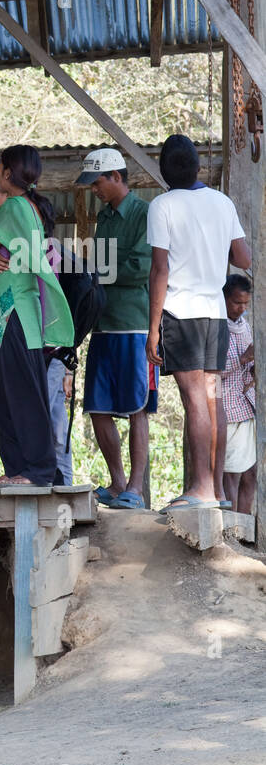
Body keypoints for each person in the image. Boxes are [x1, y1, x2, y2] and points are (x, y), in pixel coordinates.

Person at [146, 135, 252, 510]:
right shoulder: (222, 203)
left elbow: (160, 269)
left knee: (194, 401)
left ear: (163, 171)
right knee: (214, 399)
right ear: (198, 168)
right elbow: (243, 257)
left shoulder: (162, 205)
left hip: (182, 311)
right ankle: (219, 491)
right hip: (215, 314)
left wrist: (153, 327)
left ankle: (202, 488)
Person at [0, 145, 75, 486]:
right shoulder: (30, 207)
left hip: (10, 311)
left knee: (16, 395)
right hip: (17, 311)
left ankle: (37, 471)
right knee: (8, 395)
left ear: (6, 174)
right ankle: (22, 471)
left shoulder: (12, 207)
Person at [74, 149, 156, 509]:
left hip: (134, 326)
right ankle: (117, 482)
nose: (93, 190)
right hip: (102, 324)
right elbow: (99, 263)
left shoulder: (144, 213)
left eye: (97, 182)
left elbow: (141, 266)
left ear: (117, 177)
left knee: (138, 406)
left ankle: (135, 489)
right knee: (97, 405)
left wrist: (100, 271)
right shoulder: (103, 217)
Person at [220, 275, 256, 514]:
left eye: (245, 303)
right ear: (224, 299)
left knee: (251, 473)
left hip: (248, 406)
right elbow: (213, 370)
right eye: (236, 302)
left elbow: (249, 368)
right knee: (231, 474)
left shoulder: (245, 326)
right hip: (228, 409)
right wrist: (244, 358)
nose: (241, 308)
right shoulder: (216, 327)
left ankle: (247, 527)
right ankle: (232, 529)